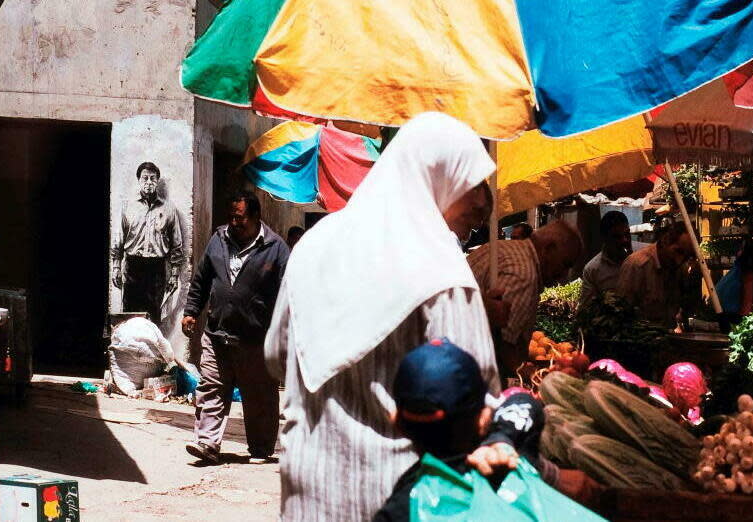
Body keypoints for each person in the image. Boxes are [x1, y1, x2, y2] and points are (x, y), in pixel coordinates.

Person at [265, 112, 504, 521]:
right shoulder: (442, 270)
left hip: (310, 494)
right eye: (472, 182)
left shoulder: (314, 243)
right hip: (402, 500)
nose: (483, 201)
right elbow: (477, 399)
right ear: (435, 175)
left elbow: (275, 356)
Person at [374, 340, 601, 521]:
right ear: (483, 418)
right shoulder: (511, 462)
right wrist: (502, 438)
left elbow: (523, 400)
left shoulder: (401, 508)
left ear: (398, 424)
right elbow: (524, 401)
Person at [182, 192, 291, 464]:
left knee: (259, 396)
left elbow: (290, 294)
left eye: (240, 218)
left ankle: (261, 448)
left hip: (256, 339)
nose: (234, 222)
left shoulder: (276, 249)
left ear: (256, 217)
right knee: (211, 387)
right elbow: (202, 278)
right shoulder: (218, 239)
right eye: (231, 217)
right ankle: (206, 443)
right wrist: (191, 311)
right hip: (217, 333)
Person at [467, 221, 584, 378]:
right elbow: (503, 342)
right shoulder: (524, 274)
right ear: (548, 248)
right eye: (565, 264)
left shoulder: (507, 249)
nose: (564, 275)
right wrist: (524, 371)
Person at [113, 161, 185, 326]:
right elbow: (118, 239)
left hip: (156, 269)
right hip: (132, 266)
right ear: (139, 180)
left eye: (153, 178)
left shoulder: (169, 209)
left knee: (153, 316)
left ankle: (151, 351)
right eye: (145, 178)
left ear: (157, 181)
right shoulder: (127, 207)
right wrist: (116, 267)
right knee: (130, 317)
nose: (149, 182)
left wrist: (174, 274)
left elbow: (177, 245)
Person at [617, 220, 696, 330]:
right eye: (678, 251)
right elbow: (620, 314)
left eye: (687, 257)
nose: (680, 261)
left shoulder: (680, 269)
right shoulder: (637, 266)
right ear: (665, 241)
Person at [580, 211, 631, 306]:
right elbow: (586, 309)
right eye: (617, 237)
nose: (625, 240)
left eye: (627, 234)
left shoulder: (643, 256)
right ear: (604, 239)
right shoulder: (592, 270)